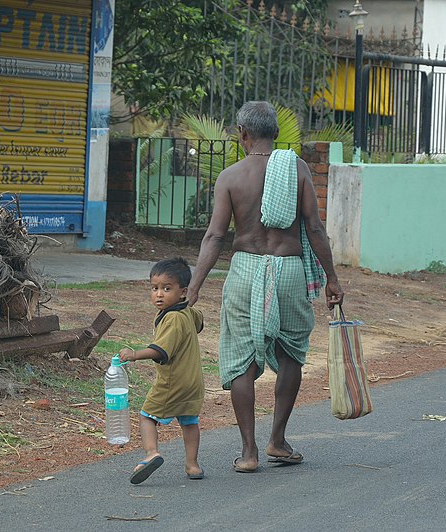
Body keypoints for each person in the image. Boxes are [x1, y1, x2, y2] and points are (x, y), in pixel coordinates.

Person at [187, 101, 344, 473]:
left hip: (243, 271)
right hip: (289, 270)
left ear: (242, 133)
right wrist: (332, 278)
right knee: (290, 353)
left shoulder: (230, 177)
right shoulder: (298, 169)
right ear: (275, 132)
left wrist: (194, 287)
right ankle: (278, 440)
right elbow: (315, 228)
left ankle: (249, 452)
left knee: (241, 358)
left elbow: (214, 237)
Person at [119, 257, 205, 484]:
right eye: (154, 288)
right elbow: (199, 321)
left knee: (147, 416)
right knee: (189, 421)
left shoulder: (172, 319)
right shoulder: (186, 312)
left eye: (167, 289)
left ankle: (151, 453)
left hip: (172, 382)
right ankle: (192, 465)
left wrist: (135, 354)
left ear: (182, 292)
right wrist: (188, 304)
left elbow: (160, 351)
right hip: (194, 382)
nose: (159, 294)